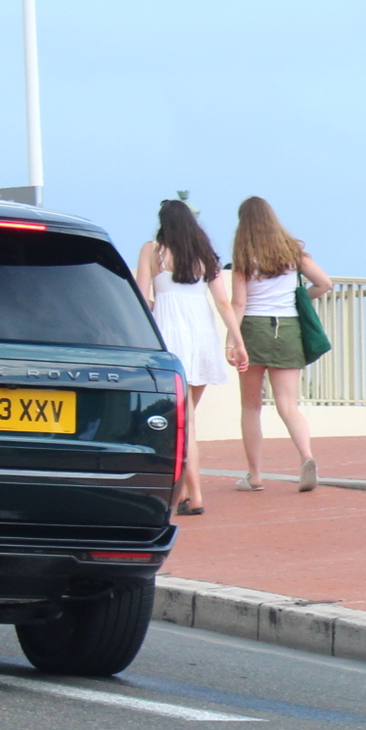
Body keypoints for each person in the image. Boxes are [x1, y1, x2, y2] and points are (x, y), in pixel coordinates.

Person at [135, 198, 245, 515]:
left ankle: (194, 495)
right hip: (202, 338)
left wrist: (157, 307)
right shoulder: (204, 255)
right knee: (188, 420)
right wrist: (237, 342)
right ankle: (184, 492)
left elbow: (143, 298)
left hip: (170, 337)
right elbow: (225, 304)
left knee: (183, 423)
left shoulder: (152, 251)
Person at [226, 196, 332, 494]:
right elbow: (325, 284)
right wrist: (300, 299)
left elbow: (238, 303)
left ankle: (255, 475)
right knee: (288, 405)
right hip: (287, 328)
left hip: (253, 329)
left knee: (251, 406)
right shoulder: (292, 253)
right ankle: (307, 457)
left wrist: (231, 340)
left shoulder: (243, 258)